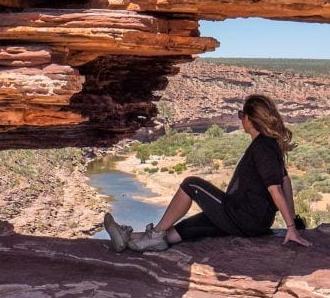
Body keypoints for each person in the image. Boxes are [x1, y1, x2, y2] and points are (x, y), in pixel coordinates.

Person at [103, 94, 313, 252]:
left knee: (191, 184)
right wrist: (293, 220)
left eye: (241, 115)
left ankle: (156, 234)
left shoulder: (262, 147)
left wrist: (291, 227)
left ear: (250, 119)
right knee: (184, 230)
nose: (241, 119)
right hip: (247, 220)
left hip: (242, 216)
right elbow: (285, 181)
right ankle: (129, 239)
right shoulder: (269, 145)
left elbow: (275, 188)